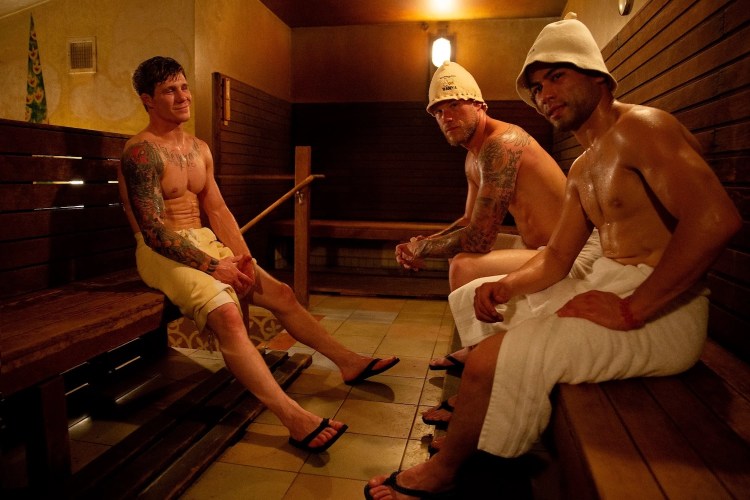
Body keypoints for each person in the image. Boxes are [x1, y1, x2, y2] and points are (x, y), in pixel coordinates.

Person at [365, 14, 741, 498]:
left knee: (490, 360)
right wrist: (504, 287)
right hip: (608, 279)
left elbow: (715, 220)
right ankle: (492, 430)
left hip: (665, 309)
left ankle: (448, 469)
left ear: (597, 76)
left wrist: (633, 308)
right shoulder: (584, 165)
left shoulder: (643, 128)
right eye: (537, 86)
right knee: (477, 298)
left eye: (557, 76)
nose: (545, 94)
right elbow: (557, 258)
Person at [118, 56, 399, 454]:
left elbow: (217, 210)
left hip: (201, 241)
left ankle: (348, 361)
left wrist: (244, 261)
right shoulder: (141, 153)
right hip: (161, 253)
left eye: (184, 87)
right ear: (148, 100)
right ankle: (294, 419)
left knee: (280, 293)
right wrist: (216, 267)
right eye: (169, 90)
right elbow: (154, 232)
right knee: (229, 316)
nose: (182, 96)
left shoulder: (198, 148)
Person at [396, 61, 568, 378]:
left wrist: (424, 251)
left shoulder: (502, 145)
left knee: (463, 262)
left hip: (564, 254)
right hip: (537, 248)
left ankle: (480, 362)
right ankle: (476, 348)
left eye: (454, 105)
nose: (446, 117)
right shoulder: (473, 156)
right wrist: (420, 244)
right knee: (457, 256)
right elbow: (467, 219)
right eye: (438, 112)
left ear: (479, 106)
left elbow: (479, 238)